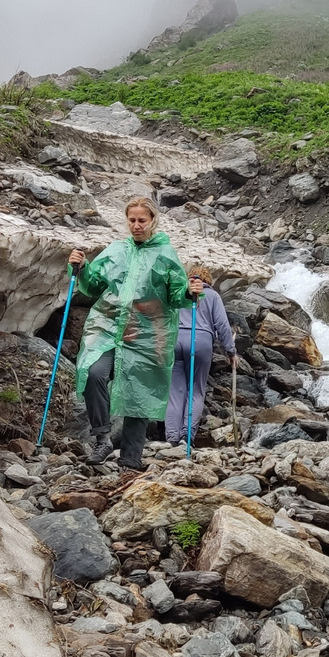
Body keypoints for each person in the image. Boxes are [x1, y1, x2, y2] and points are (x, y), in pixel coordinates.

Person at [68, 197, 193, 469]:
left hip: (147, 333)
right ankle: (102, 438)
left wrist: (189, 293)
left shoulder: (165, 255)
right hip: (107, 325)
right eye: (132, 220)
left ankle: (131, 459)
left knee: (139, 390)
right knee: (93, 371)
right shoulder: (115, 250)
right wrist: (81, 268)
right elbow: (94, 285)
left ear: (152, 221)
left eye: (142, 221)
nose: (136, 226)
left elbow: (176, 296)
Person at [164, 264, 238, 445]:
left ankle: (171, 437)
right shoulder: (212, 296)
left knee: (175, 391)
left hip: (175, 340)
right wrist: (231, 351)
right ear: (208, 281)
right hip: (201, 341)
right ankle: (186, 437)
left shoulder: (180, 293)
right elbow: (222, 325)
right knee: (196, 390)